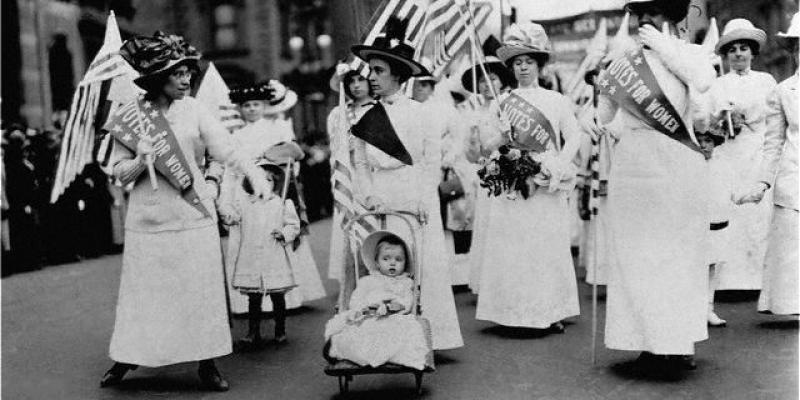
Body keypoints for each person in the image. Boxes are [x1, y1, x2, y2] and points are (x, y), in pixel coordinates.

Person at [101, 31, 270, 391]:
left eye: (189, 72)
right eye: (178, 74)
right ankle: (129, 355)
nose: (186, 79)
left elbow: (224, 148)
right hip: (148, 217)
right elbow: (116, 172)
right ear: (158, 77)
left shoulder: (194, 109)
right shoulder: (131, 116)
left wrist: (254, 172)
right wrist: (138, 160)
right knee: (145, 293)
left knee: (200, 292)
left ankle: (206, 361)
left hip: (193, 215)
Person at [585, 0, 715, 375]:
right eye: (640, 10)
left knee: (675, 259)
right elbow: (603, 113)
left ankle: (676, 344)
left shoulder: (686, 54)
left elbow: (704, 84)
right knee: (638, 259)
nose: (645, 17)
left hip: (676, 167)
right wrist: (591, 123)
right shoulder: (623, 66)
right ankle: (645, 342)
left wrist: (664, 45)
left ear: (669, 17)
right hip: (635, 170)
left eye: (654, 11)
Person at [350, 17, 464, 350]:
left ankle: (429, 337)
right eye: (370, 70)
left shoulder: (421, 113)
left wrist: (423, 200)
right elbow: (359, 163)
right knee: (383, 265)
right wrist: (367, 194)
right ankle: (386, 339)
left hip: (414, 196)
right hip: (379, 197)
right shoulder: (363, 117)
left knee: (421, 265)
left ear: (398, 75)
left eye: (378, 71)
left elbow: (430, 162)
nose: (371, 77)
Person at [474, 22, 582, 332]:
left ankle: (550, 311)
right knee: (513, 248)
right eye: (517, 63)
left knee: (545, 247)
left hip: (545, 181)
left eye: (528, 62)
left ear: (539, 64)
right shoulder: (501, 102)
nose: (523, 68)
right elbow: (487, 144)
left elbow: (572, 136)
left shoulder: (556, 100)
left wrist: (558, 165)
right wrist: (501, 139)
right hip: (512, 182)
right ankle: (512, 314)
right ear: (510, 67)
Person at [219, 81, 326, 316]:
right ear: (240, 109)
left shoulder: (276, 130)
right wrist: (226, 199)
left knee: (273, 239)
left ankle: (282, 297)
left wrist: (281, 179)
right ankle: (249, 299)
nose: (252, 109)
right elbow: (230, 168)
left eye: (256, 104)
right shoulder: (235, 136)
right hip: (244, 191)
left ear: (264, 105)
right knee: (247, 241)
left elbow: (290, 161)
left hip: (272, 189)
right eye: (247, 105)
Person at [707, 18, 778, 291]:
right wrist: (724, 119)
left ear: (752, 52)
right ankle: (727, 281)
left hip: (758, 151)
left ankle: (758, 280)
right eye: (733, 49)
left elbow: (774, 119)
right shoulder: (718, 84)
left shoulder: (766, 81)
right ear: (726, 54)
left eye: (744, 48)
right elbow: (711, 119)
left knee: (759, 215)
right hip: (729, 152)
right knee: (731, 210)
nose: (738, 54)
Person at [743, 13, 799, 316]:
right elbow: (773, 143)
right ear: (792, 52)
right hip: (793, 180)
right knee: (791, 251)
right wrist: (762, 182)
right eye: (799, 48)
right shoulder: (783, 91)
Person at [324, 232, 429, 370]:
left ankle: (387, 355)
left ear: (405, 263)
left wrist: (395, 306)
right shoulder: (367, 281)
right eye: (386, 259)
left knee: (406, 330)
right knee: (361, 332)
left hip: (394, 318)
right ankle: (344, 348)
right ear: (377, 263)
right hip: (369, 316)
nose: (392, 263)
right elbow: (356, 300)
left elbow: (408, 301)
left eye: (398, 259)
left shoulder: (405, 283)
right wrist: (363, 309)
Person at [461, 54, 516, 293]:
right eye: (481, 80)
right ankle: (488, 286)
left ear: (502, 81)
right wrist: (473, 137)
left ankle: (508, 282)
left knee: (506, 229)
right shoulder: (474, 111)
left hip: (509, 172)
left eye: (491, 78)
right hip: (486, 174)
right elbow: (471, 156)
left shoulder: (508, 104)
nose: (486, 84)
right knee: (486, 225)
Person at [229, 160, 300, 348]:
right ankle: (253, 332)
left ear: (275, 183)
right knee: (254, 297)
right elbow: (233, 218)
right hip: (251, 255)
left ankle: (280, 330)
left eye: (269, 180)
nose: (264, 183)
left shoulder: (281, 203)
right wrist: (229, 217)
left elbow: (293, 225)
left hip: (273, 254)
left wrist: (284, 233)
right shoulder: (244, 204)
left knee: (277, 295)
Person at [326, 64, 375, 283]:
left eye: (360, 80)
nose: (356, 86)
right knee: (350, 222)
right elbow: (335, 147)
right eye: (351, 81)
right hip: (350, 174)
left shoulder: (378, 109)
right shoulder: (339, 114)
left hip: (374, 173)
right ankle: (353, 277)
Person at [697, 128, 739, 327]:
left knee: (712, 267)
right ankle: (690, 310)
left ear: (715, 143)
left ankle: (708, 309)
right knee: (693, 267)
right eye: (700, 141)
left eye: (708, 141)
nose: (704, 145)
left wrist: (751, 194)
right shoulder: (689, 166)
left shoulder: (722, 167)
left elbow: (733, 193)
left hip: (717, 226)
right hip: (695, 228)